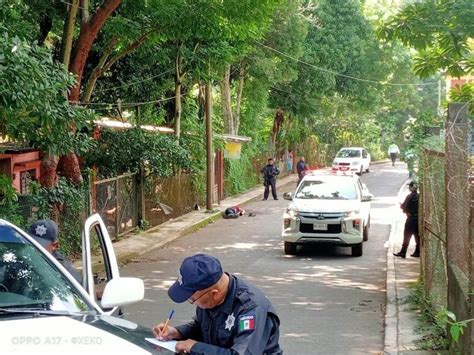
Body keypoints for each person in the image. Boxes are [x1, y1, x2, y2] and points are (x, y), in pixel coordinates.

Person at [153, 253, 282, 355]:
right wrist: (177, 332)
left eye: (192, 299)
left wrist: (194, 347)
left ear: (214, 293)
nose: (192, 303)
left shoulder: (250, 309)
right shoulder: (209, 300)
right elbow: (202, 326)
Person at [28, 219, 82, 284]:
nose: (34, 248)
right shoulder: (20, 258)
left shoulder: (63, 271)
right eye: (30, 243)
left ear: (54, 245)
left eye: (40, 245)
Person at [393, 181, 420, 258]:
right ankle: (417, 251)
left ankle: (403, 252)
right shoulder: (419, 196)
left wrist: (402, 206)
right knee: (417, 235)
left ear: (411, 188)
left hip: (411, 219)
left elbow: (404, 207)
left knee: (407, 235)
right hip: (418, 218)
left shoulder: (409, 196)